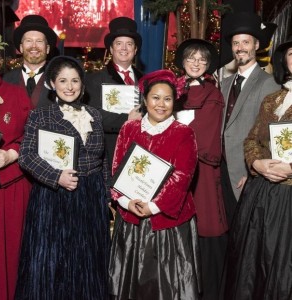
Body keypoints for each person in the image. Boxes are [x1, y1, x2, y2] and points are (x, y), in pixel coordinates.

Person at [14, 56, 110, 299]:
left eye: (75, 80)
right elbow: (26, 156)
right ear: (52, 84)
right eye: (63, 80)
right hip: (53, 198)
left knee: (87, 262)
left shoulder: (94, 115)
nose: (70, 86)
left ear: (82, 84)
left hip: (90, 197)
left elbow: (103, 159)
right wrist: (56, 177)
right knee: (53, 262)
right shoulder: (41, 116)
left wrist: (107, 195)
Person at [109, 69, 201, 300]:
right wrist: (126, 201)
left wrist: (154, 207)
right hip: (132, 218)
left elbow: (182, 176)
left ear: (175, 102)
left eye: (167, 99)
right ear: (145, 99)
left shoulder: (183, 133)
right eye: (155, 98)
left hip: (167, 223)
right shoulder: (128, 129)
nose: (161, 104)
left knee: (167, 287)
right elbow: (117, 169)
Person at [223, 39, 292, 299]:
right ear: (284, 60)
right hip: (262, 194)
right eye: (291, 54)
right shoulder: (273, 99)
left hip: (288, 197)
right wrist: (256, 163)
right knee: (253, 268)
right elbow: (252, 139)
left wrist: (290, 169)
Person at [174, 39, 228, 300]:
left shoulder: (213, 94)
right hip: (169, 168)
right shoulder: (170, 89)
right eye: (190, 58)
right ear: (182, 61)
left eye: (202, 59)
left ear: (207, 64)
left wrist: (169, 138)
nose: (195, 63)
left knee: (202, 227)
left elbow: (204, 136)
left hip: (201, 172)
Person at [220, 12, 279, 225]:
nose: (240, 47)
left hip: (246, 172)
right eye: (236, 43)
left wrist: (253, 169)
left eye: (246, 42)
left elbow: (271, 132)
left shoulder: (269, 83)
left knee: (245, 234)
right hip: (221, 172)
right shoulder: (225, 84)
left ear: (256, 45)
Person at [0, 34, 32, 300]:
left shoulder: (17, 95)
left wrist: (10, 155)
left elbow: (30, 137)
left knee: (6, 254)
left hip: (7, 187)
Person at [85, 16, 143, 171]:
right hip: (108, 152)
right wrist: (127, 119)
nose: (124, 48)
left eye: (129, 44)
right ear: (111, 49)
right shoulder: (95, 80)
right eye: (119, 43)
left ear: (135, 49)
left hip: (139, 152)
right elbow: (94, 115)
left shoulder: (146, 80)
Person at [3, 14, 57, 108]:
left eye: (39, 41)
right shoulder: (7, 80)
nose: (34, 46)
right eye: (28, 41)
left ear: (47, 48)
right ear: (21, 47)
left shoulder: (59, 79)